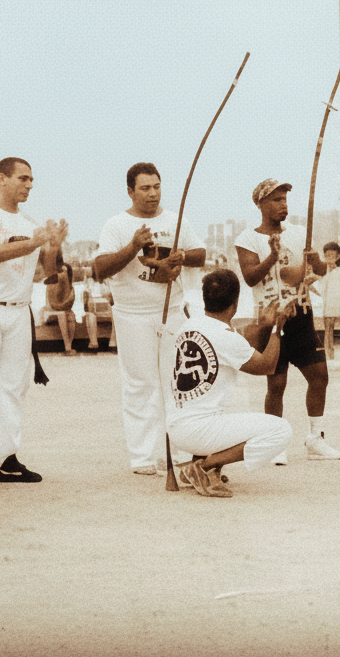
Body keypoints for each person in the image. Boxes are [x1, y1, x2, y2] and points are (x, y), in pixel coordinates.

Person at [0, 157, 66, 494]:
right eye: (23, 178)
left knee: (13, 386)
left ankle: (5, 459)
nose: (29, 184)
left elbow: (46, 272)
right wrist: (34, 242)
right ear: (2, 179)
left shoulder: (31, 222)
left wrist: (53, 246)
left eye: (32, 179)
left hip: (18, 310)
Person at [94, 163, 205, 475]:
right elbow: (100, 267)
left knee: (179, 381)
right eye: (145, 188)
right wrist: (133, 247)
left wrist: (180, 256)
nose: (152, 193)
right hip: (132, 315)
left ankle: (181, 449)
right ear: (131, 191)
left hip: (171, 311)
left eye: (156, 186)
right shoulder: (116, 224)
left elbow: (201, 254)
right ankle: (142, 457)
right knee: (140, 384)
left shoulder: (175, 219)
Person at [234, 179, 340, 463]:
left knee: (319, 376)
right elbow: (250, 277)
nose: (283, 205)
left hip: (302, 312)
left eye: (284, 199)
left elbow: (319, 270)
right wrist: (272, 255)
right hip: (272, 317)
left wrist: (314, 261)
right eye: (276, 200)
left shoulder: (299, 232)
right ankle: (274, 443)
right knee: (276, 383)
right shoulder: (247, 238)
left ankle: (315, 440)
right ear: (260, 203)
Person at [169, 269, 293, 497]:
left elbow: (238, 346)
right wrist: (278, 328)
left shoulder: (189, 325)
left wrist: (263, 325)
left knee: (229, 402)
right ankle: (203, 467)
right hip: (199, 431)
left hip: (177, 427)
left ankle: (200, 464)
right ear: (235, 304)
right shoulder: (225, 337)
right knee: (281, 430)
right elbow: (267, 365)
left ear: (205, 298)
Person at [41, 260, 99, 354]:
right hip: (51, 309)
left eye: (65, 272)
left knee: (70, 315)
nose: (63, 274)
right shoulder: (52, 283)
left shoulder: (70, 286)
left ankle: (69, 346)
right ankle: (67, 346)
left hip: (64, 309)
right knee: (62, 314)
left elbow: (70, 304)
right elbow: (49, 303)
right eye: (61, 272)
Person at [317, 241, 340, 362]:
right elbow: (321, 288)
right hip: (328, 306)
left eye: (331, 255)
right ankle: (329, 358)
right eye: (326, 255)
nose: (329, 258)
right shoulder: (324, 272)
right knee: (328, 333)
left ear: (338, 256)